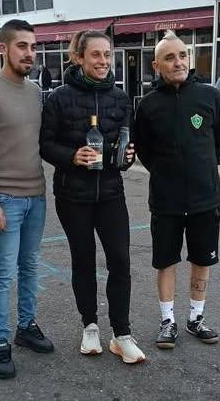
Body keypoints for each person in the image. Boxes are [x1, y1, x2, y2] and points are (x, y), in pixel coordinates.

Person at [40, 30, 146, 364]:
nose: (103, 61)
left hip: (112, 194)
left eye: (107, 54)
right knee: (83, 261)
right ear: (79, 58)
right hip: (73, 196)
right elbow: (45, 144)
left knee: (120, 261)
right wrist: (72, 156)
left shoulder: (120, 98)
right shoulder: (59, 97)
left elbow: (127, 146)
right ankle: (89, 326)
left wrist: (127, 157)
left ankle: (122, 334)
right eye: (96, 55)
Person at [0, 19, 53, 380]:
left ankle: (26, 326)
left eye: (33, 47)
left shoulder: (34, 92)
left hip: (36, 196)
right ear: (3, 48)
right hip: (5, 199)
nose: (29, 53)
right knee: (3, 273)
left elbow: (40, 143)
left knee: (30, 266)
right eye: (22, 46)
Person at [133, 31, 220, 350]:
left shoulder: (209, 95)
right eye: (171, 57)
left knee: (202, 259)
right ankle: (168, 321)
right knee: (166, 261)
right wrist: (167, 172)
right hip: (166, 200)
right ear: (156, 64)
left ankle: (195, 319)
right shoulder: (147, 105)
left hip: (205, 198)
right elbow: (144, 151)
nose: (179, 62)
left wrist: (202, 169)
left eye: (183, 55)